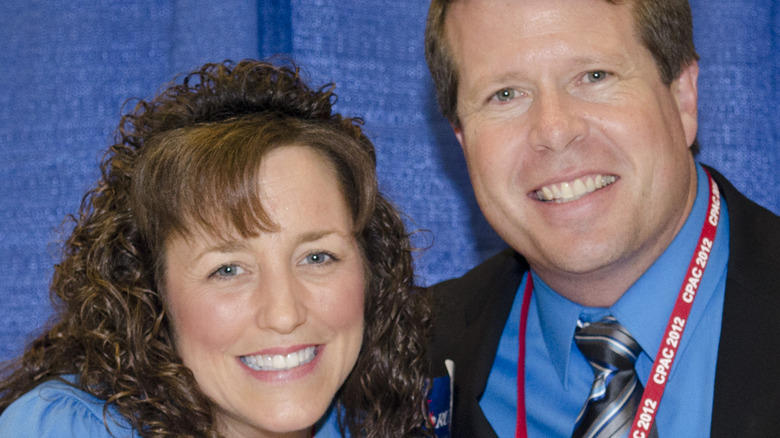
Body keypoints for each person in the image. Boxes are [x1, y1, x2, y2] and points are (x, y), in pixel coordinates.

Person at [0, 59, 432, 437]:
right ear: (149, 294)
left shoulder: (381, 424)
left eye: (317, 258)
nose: (284, 314)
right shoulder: (63, 430)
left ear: (371, 269)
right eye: (228, 269)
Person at [424, 0, 780, 437]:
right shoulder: (405, 359)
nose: (554, 131)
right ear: (462, 140)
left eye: (594, 76)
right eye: (505, 94)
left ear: (684, 97)